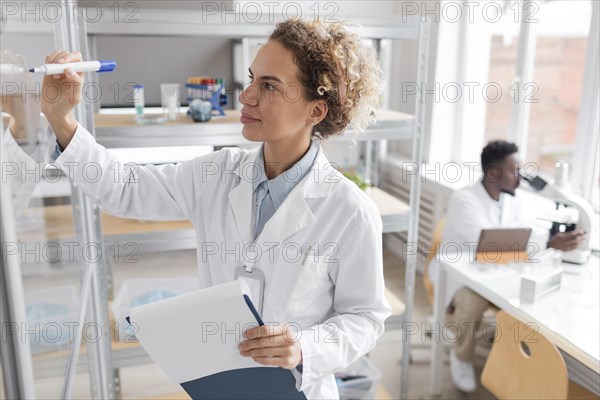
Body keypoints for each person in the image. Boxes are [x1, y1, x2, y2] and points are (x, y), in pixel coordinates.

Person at [40, 18, 391, 399]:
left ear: (315, 112)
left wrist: (305, 346)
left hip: (296, 390)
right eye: (252, 79)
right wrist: (61, 118)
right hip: (218, 383)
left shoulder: (349, 210)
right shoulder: (217, 173)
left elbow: (365, 318)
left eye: (269, 86)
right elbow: (124, 189)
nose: (247, 96)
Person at [434, 140, 586, 393]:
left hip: (497, 274)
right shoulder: (464, 199)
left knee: (533, 297)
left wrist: (550, 241)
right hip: (461, 276)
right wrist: (548, 242)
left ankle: (515, 360)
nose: (521, 176)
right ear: (493, 172)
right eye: (514, 169)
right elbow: (489, 242)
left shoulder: (513, 200)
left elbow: (523, 235)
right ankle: (461, 356)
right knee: (472, 301)